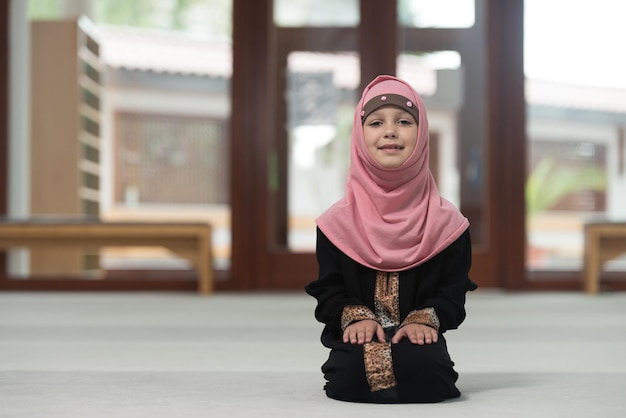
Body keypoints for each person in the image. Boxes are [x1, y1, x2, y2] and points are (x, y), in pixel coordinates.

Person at [304, 75, 477, 404]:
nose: (390, 132)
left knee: (429, 369)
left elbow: (453, 292)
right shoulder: (335, 224)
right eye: (376, 123)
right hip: (357, 336)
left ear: (422, 132)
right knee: (348, 373)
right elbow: (329, 289)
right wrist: (355, 317)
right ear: (359, 134)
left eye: (404, 121)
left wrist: (425, 320)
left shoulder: (448, 224)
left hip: (421, 340)